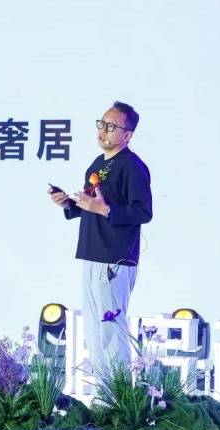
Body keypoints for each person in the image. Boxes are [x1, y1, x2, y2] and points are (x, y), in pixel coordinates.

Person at [48, 101, 153, 377]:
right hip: (92, 253)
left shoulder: (132, 166)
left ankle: (120, 394)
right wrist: (68, 203)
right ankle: (104, 392)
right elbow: (91, 204)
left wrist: (105, 209)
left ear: (127, 135)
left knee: (111, 330)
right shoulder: (98, 163)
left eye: (111, 126)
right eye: (101, 124)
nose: (102, 130)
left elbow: (143, 212)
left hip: (114, 258)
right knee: (95, 331)